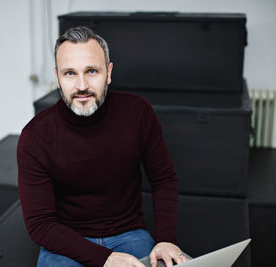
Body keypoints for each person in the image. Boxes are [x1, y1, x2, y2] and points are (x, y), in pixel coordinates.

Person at [17, 26, 189, 267]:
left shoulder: (138, 113)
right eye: (70, 73)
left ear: (108, 73)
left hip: (129, 234)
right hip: (66, 239)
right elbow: (41, 224)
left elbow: (163, 179)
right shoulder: (34, 137)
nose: (82, 85)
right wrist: (104, 259)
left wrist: (166, 240)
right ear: (57, 77)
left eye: (92, 71)